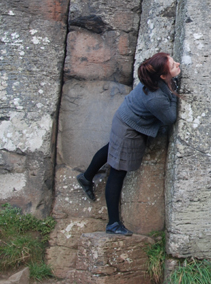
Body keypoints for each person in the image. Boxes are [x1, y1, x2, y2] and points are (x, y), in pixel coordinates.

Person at [77, 52, 180, 235]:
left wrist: (172, 85)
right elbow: (170, 118)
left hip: (125, 117)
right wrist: (174, 94)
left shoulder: (152, 78)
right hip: (128, 128)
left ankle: (86, 177)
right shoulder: (155, 98)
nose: (178, 64)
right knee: (117, 173)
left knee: (112, 148)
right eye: (173, 65)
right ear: (163, 76)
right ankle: (113, 224)